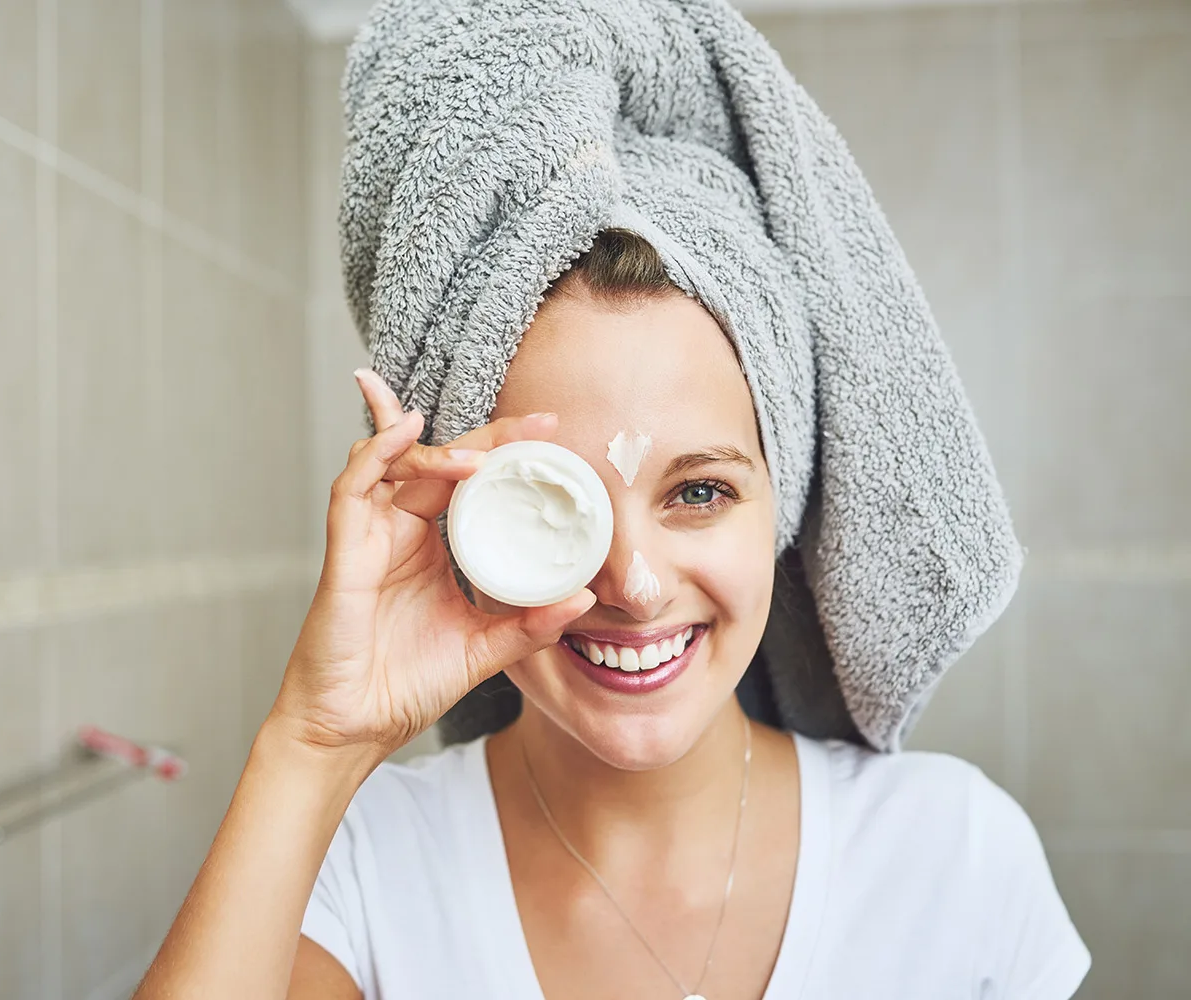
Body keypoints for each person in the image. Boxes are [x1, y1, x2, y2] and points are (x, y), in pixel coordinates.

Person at [132, 228, 1090, 1000]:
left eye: (701, 492)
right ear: (463, 530)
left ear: (781, 516)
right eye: (556, 500)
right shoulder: (355, 866)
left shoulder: (955, 852)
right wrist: (314, 743)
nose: (632, 583)